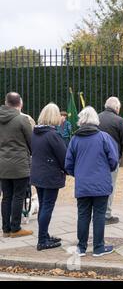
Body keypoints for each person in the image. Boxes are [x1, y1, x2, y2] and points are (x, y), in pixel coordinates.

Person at [65, 106, 119, 257]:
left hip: (82, 184)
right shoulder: (103, 137)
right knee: (99, 215)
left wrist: (79, 174)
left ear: (81, 120)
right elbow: (113, 160)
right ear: (96, 120)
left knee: (83, 215)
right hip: (101, 183)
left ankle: (81, 247)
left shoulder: (75, 139)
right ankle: (98, 247)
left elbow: (68, 164)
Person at [31, 103, 67, 251]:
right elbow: (64, 157)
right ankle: (42, 240)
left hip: (37, 173)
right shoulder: (53, 134)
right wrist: (69, 170)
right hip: (50, 175)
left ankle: (44, 235)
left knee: (43, 205)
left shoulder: (34, 133)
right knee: (47, 207)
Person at [0, 92, 33, 238]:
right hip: (19, 164)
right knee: (18, 196)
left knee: (6, 196)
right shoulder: (22, 120)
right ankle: (15, 228)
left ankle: (5, 229)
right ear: (20, 103)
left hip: (2, 164)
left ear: (6, 102)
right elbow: (32, 143)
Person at [98, 97, 123, 225]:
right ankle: (107, 214)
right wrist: (119, 154)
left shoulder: (96, 118)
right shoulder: (119, 121)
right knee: (110, 186)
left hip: (97, 158)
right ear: (116, 108)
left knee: (98, 185)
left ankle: (98, 212)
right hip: (112, 158)